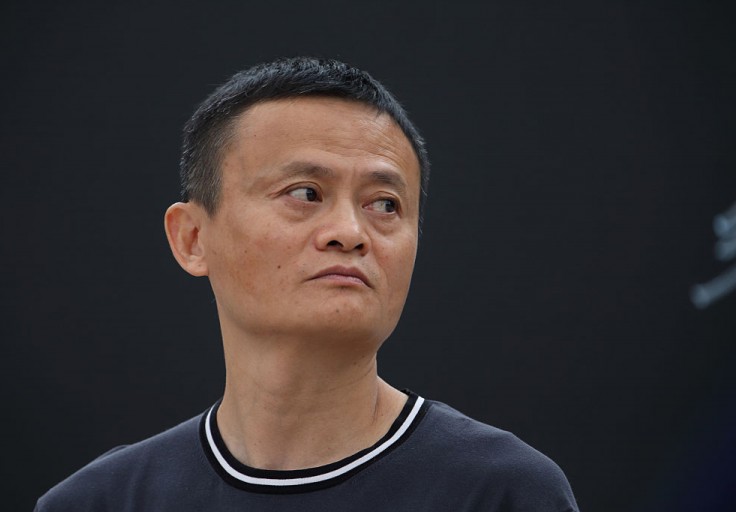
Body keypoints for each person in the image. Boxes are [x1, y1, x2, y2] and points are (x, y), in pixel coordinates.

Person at [35, 57, 579, 511]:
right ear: (193, 238)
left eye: (385, 204)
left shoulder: (501, 491)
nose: (350, 232)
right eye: (305, 193)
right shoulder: (100, 501)